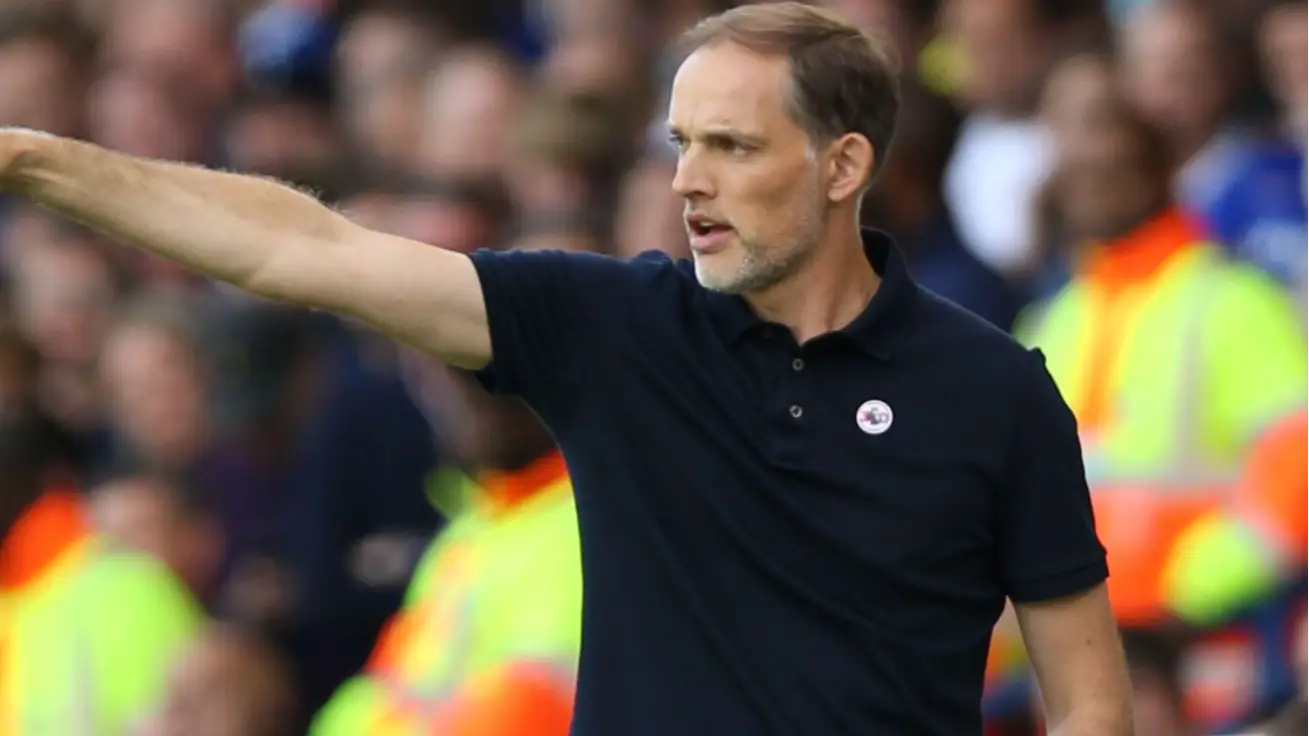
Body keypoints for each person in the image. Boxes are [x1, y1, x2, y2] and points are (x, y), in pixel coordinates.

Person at [0, 3, 1133, 733]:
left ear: (843, 165)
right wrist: (34, 158)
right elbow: (297, 246)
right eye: (679, 144)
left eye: (732, 147)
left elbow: (1089, 705)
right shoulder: (613, 326)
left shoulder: (993, 389)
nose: (691, 182)